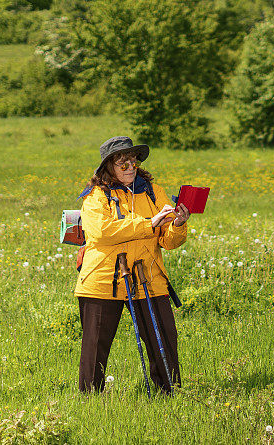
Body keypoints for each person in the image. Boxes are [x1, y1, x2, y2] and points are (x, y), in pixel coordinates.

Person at [75, 135, 190, 394]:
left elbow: (168, 241)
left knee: (164, 340)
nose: (130, 168)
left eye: (133, 162)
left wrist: (178, 225)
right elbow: (103, 232)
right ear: (108, 167)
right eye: (122, 164)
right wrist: (148, 224)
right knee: (95, 347)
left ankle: (170, 394)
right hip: (102, 279)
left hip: (149, 275)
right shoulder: (95, 196)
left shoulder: (153, 192)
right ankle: (91, 400)